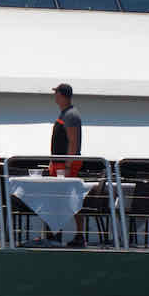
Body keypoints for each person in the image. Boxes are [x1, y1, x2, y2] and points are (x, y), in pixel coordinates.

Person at [49, 83, 88, 245]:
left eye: (56, 93)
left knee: (70, 200)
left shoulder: (71, 115)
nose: (54, 96)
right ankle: (57, 234)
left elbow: (73, 143)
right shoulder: (65, 113)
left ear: (62, 95)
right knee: (62, 200)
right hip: (59, 164)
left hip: (65, 165)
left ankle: (76, 235)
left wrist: (66, 166)